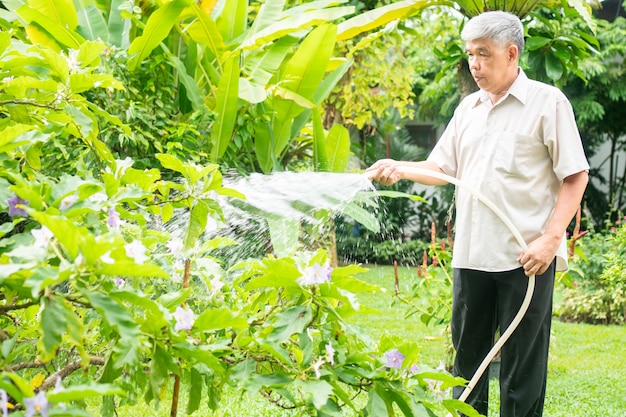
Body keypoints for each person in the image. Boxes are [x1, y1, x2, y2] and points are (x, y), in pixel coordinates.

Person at [366, 11, 589, 417]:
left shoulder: (547, 103)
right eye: (470, 54)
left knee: (522, 371)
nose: (474, 64)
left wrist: (551, 239)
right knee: (466, 369)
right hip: (471, 256)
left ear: (511, 52)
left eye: (483, 54)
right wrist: (398, 167)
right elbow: (440, 170)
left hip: (526, 259)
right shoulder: (468, 108)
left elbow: (575, 176)